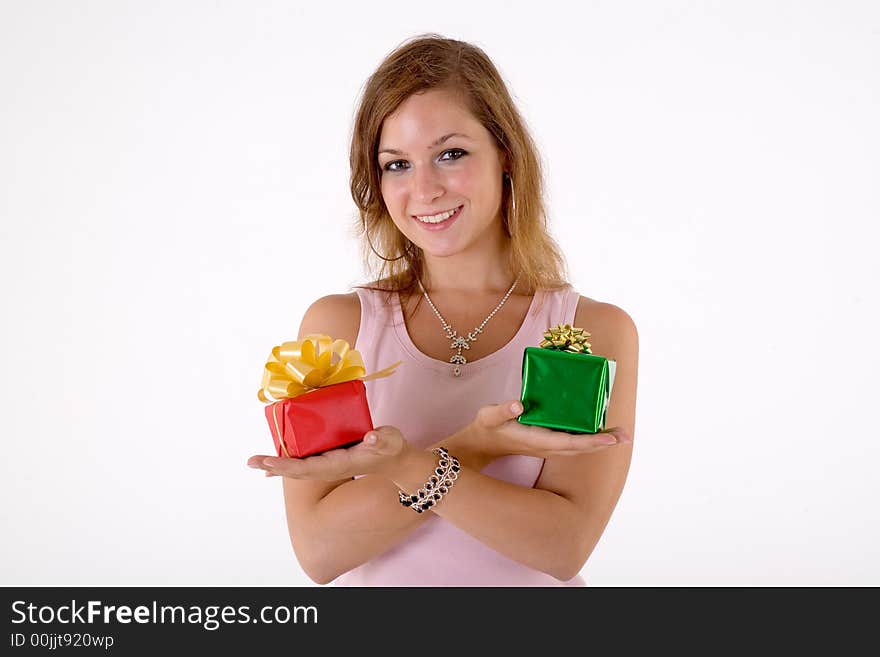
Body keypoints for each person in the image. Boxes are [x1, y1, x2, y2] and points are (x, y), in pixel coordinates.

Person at [247, 34, 639, 586]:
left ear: (506, 154)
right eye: (397, 164)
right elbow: (320, 553)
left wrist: (410, 464)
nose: (424, 189)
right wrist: (472, 446)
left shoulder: (590, 332)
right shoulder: (338, 330)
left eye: (450, 154)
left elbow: (562, 546)